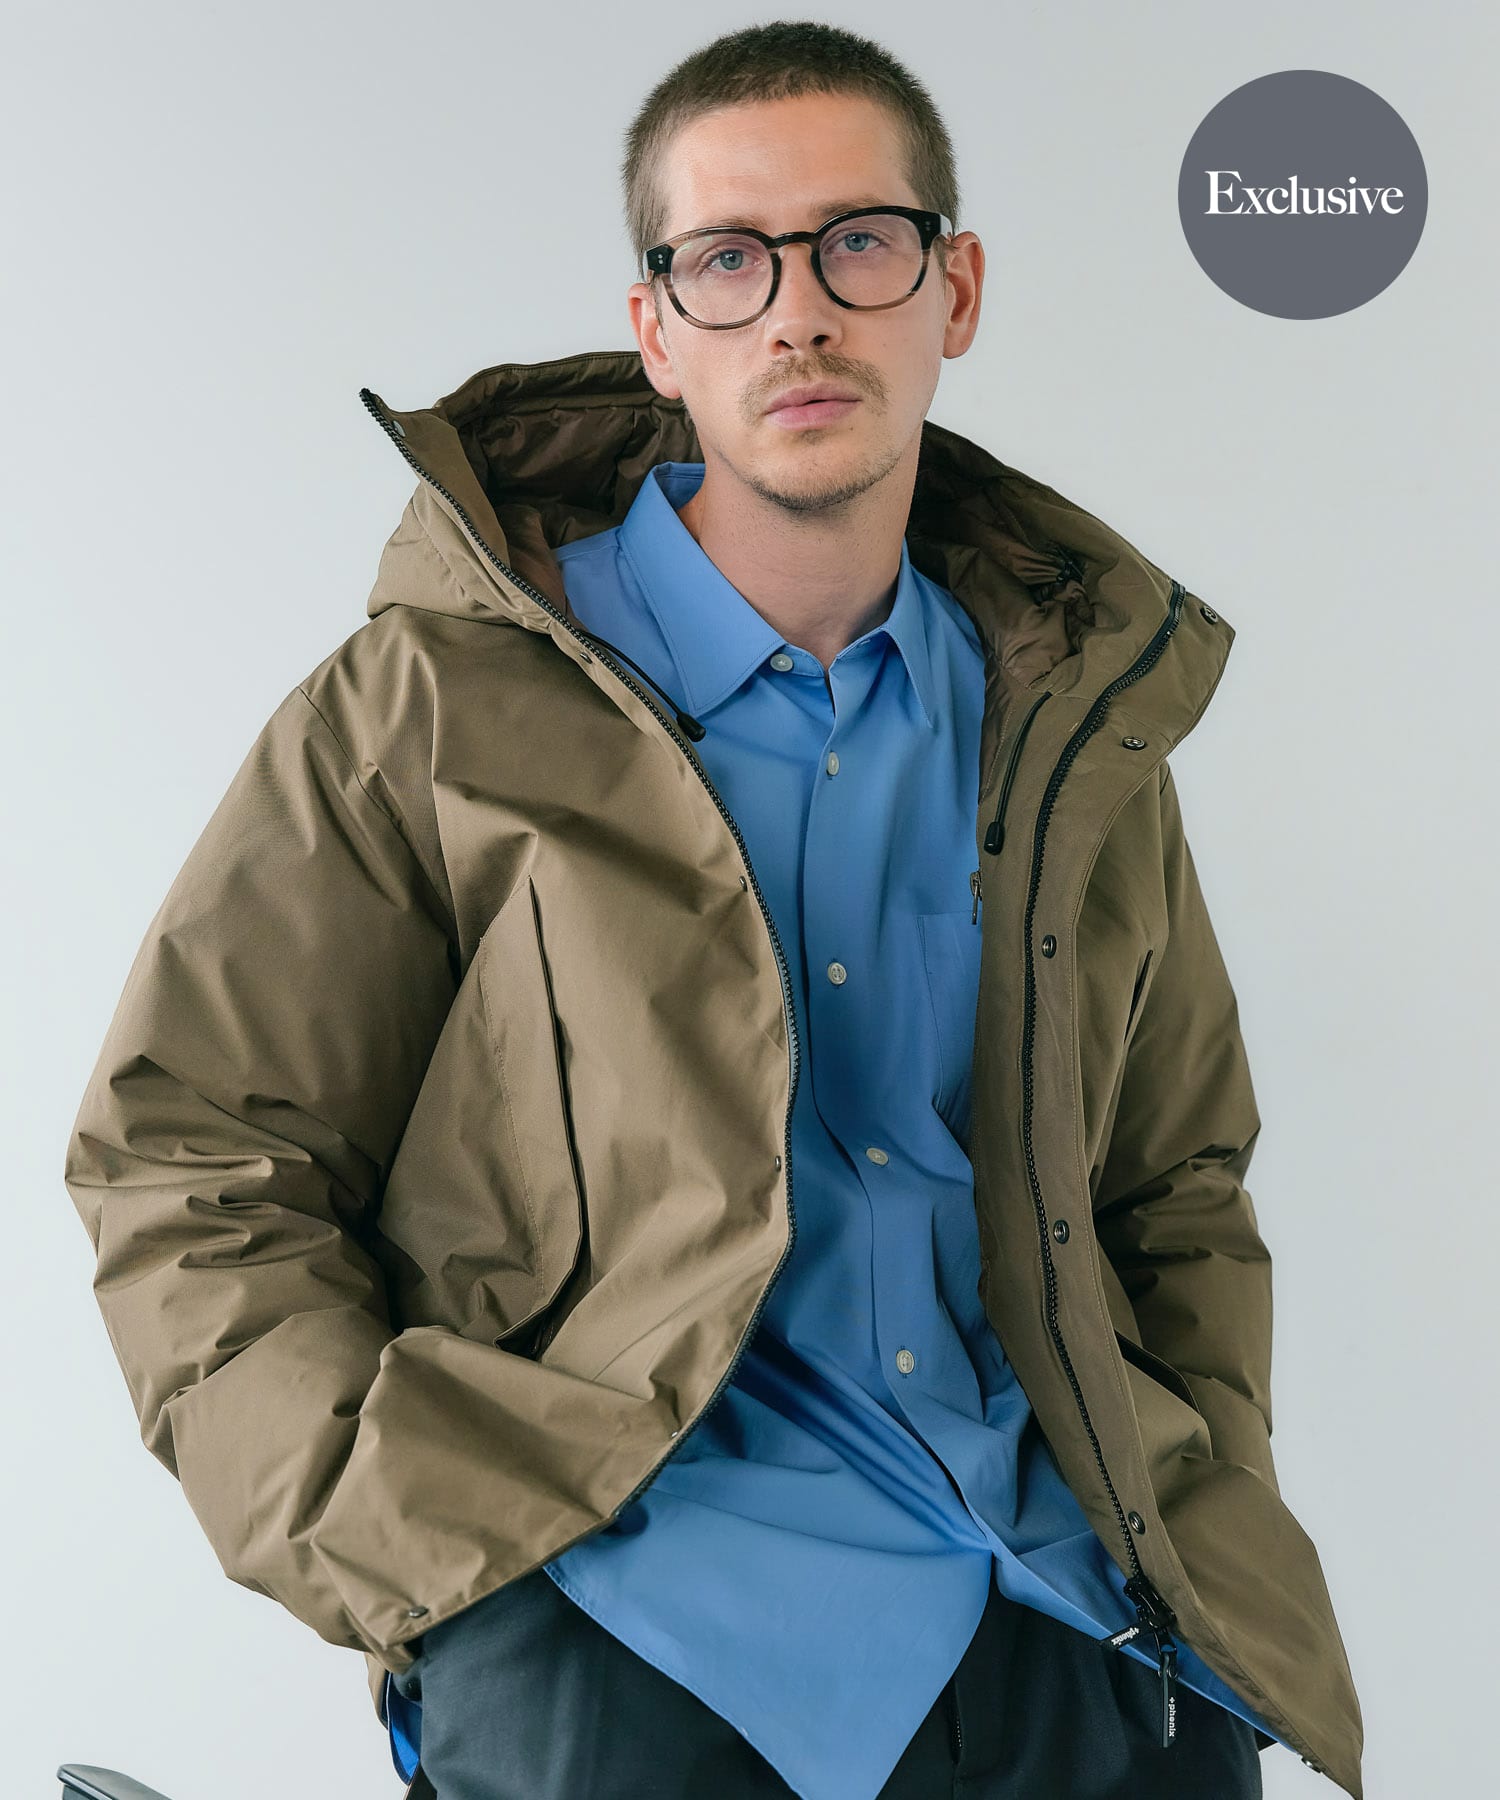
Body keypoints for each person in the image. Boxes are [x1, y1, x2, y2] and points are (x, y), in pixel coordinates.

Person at [62, 18, 1364, 1800]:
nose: (799, 314)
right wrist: (420, 1556)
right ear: (658, 330)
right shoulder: (432, 708)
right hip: (632, 1633)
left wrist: (1197, 1505)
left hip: (1072, 1630)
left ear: (955, 291)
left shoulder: (1071, 741)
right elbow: (192, 1153)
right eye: (730, 261)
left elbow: (1176, 1183)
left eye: (860, 244)